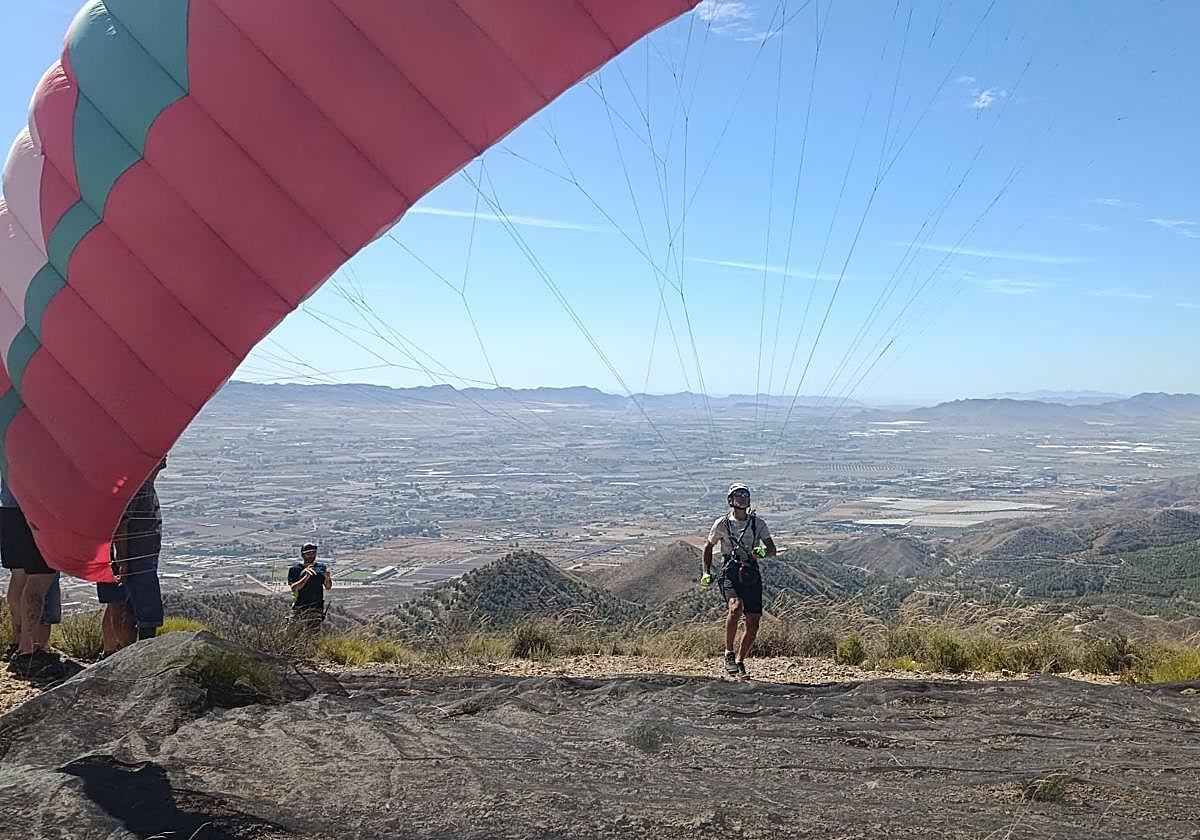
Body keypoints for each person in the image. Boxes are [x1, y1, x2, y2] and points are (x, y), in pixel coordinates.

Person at [700, 482, 777, 679]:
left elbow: (772, 549)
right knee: (735, 607)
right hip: (730, 569)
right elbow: (708, 547)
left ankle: (740, 661)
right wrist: (706, 572)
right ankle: (729, 652)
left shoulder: (757, 523)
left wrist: (763, 552)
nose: (742, 497)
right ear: (730, 500)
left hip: (750, 570)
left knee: (753, 621)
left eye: (745, 494)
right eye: (738, 494)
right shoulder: (722, 524)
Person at [98, 456, 167, 654]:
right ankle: (131, 656)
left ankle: (115, 652)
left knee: (125, 608)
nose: (164, 457)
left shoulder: (141, 486)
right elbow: (121, 526)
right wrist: (124, 562)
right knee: (140, 613)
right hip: (135, 560)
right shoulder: (138, 488)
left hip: (135, 559)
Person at [2, 477, 65, 678]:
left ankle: (16, 641)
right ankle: (27, 651)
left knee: (19, 574)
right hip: (32, 508)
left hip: (7, 506)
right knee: (40, 576)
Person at [287, 543, 332, 630]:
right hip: (300, 606)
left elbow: (328, 587)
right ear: (303, 555)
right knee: (292, 631)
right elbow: (294, 588)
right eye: (308, 554)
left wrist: (327, 577)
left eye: (313, 553)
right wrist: (306, 576)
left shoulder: (320, 568)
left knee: (313, 633)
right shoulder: (295, 569)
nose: (311, 556)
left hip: (316, 606)